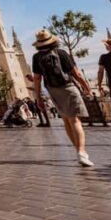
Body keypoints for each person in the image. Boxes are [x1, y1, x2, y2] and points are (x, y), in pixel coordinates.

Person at [31, 29, 94, 167]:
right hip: (67, 87)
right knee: (75, 120)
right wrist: (86, 87)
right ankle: (82, 152)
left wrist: (38, 97)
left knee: (66, 120)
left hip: (52, 90)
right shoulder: (61, 53)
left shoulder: (36, 57)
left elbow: (37, 79)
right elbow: (76, 73)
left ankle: (78, 150)